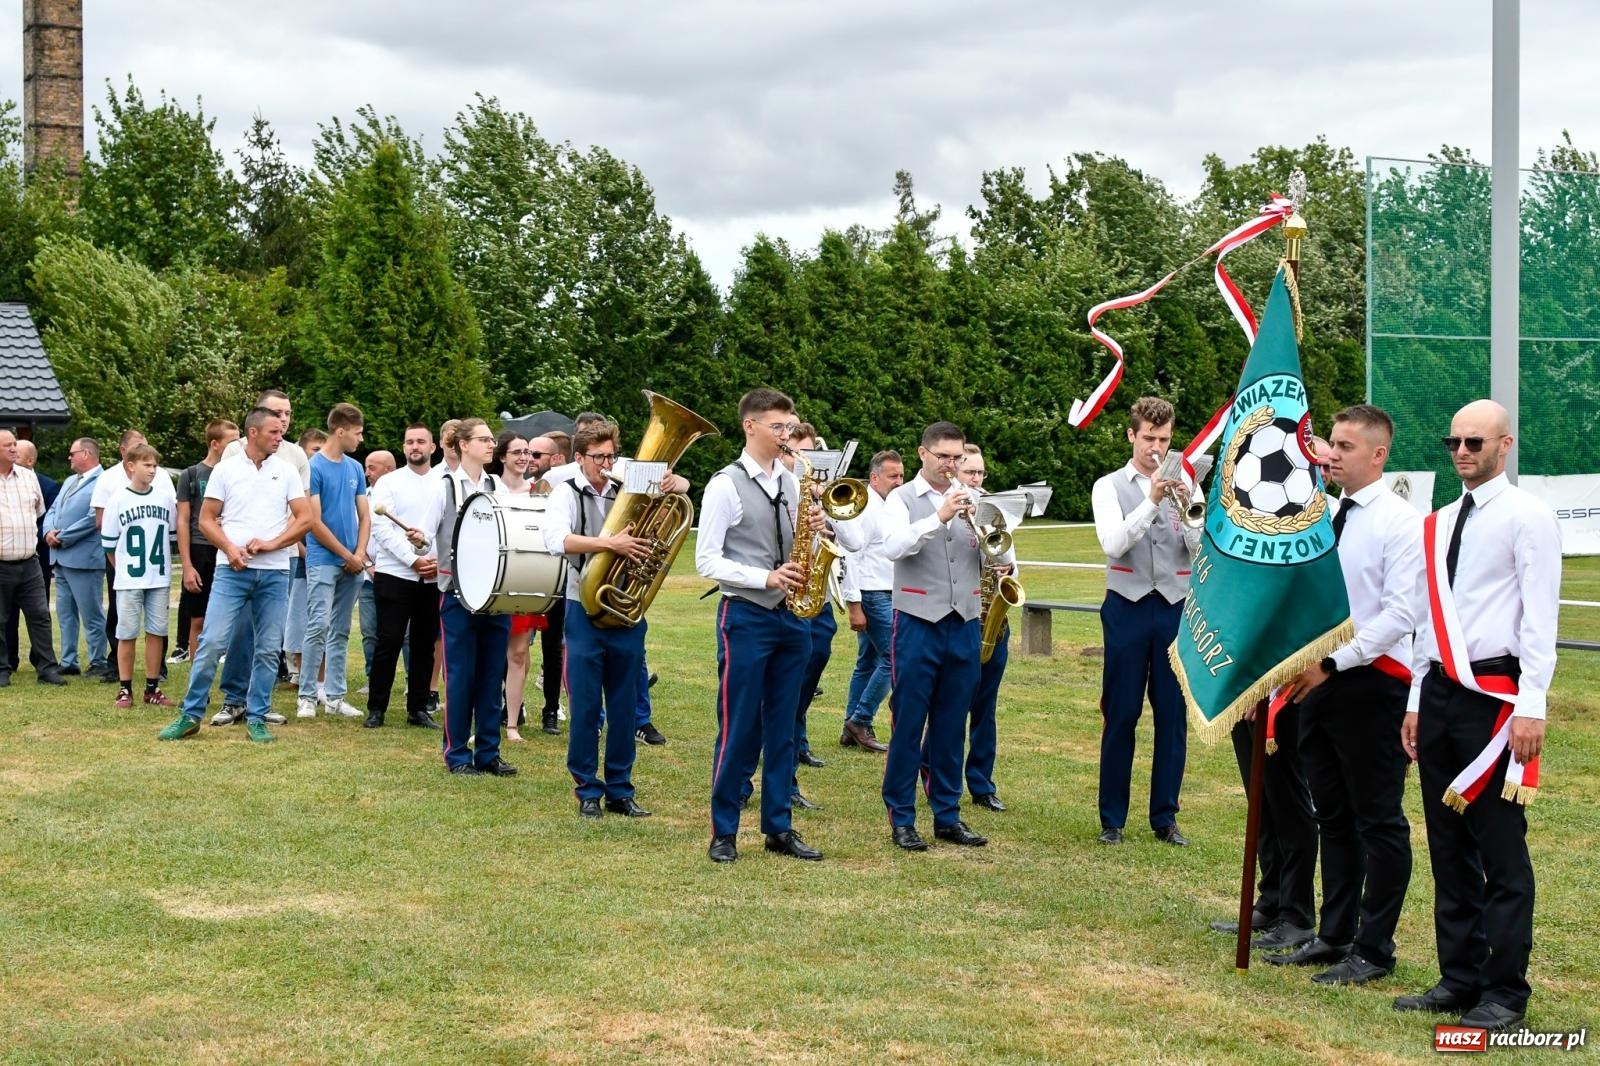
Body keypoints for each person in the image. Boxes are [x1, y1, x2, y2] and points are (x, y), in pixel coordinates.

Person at [1393, 399, 1561, 1033]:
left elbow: (1540, 618)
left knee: (1500, 846)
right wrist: (1416, 699)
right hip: (1439, 693)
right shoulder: (1438, 522)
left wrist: (1532, 705)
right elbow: (1423, 620)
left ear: (1504, 445)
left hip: (1495, 696)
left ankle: (1505, 992)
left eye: (1475, 442)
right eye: (1454, 442)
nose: (1462, 452)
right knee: (1447, 844)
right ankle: (1459, 975)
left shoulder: (1528, 517)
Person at [1271, 405, 1425, 983]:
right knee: (1332, 815)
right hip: (1320, 682)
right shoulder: (1329, 515)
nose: (1331, 454)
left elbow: (1401, 614)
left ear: (1378, 455)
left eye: (1345, 446)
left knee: (1378, 820)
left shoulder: (1399, 522)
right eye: (1331, 443)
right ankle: (1334, 935)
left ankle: (1375, 947)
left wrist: (1334, 663)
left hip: (1371, 684)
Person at [696, 388, 822, 863]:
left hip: (792, 617)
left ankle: (778, 827)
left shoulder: (792, 483)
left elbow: (802, 546)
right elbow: (707, 560)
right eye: (778, 427)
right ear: (750, 426)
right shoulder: (724, 484)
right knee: (739, 725)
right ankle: (724, 831)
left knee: (784, 726)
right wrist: (764, 577)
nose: (786, 435)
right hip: (747, 614)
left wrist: (817, 531)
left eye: (790, 427)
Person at [157, 406, 310, 743]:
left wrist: (271, 544)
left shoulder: (286, 470)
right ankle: (190, 715)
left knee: (268, 649)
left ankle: (257, 716)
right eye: (273, 431)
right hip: (231, 571)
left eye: (280, 431)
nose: (280, 436)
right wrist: (229, 548)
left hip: (274, 573)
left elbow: (305, 519)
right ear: (252, 432)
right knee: (211, 642)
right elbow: (205, 520)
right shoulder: (225, 470)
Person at [1090, 396, 1200, 847]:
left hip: (1174, 605)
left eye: (1165, 440)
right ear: (1131, 435)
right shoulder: (1108, 486)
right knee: (1122, 712)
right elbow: (1114, 543)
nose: (1156, 448)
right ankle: (1112, 818)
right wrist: (1152, 500)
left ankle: (1165, 817)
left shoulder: (1186, 481)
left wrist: (1188, 509)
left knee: (1172, 715)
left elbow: (1199, 549)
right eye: (1149, 438)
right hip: (1127, 605)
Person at [878, 422, 989, 852]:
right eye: (943, 456)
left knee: (952, 723)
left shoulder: (974, 497)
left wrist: (996, 550)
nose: (951, 465)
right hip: (918, 621)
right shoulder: (901, 499)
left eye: (957, 457)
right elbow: (893, 547)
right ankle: (902, 817)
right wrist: (939, 516)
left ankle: (947, 814)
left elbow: (996, 552)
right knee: (908, 722)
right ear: (923, 454)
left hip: (965, 620)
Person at [542, 420, 657, 818]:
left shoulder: (628, 488)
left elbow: (678, 488)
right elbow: (555, 540)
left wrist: (675, 484)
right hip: (583, 607)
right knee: (587, 705)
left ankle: (620, 789)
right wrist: (610, 544)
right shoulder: (566, 492)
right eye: (598, 457)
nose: (607, 464)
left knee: (624, 706)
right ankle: (587, 788)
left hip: (626, 607)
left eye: (611, 456)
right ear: (579, 458)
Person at [210, 391, 307, 727]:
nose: (284, 420)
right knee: (240, 632)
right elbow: (223, 507)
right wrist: (233, 546)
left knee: (270, 636)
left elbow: (303, 509)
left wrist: (277, 541)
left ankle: (259, 705)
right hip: (240, 558)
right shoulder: (234, 452)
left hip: (282, 556)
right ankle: (233, 699)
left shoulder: (294, 456)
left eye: (288, 414)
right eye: (277, 413)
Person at [433, 417, 516, 776]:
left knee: (492, 676)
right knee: (461, 676)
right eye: (483, 439)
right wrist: (418, 544)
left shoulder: (498, 486)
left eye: (491, 439)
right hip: (457, 594)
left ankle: (488, 753)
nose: (490, 445)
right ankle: (456, 754)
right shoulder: (444, 486)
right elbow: (425, 532)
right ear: (463, 445)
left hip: (495, 594)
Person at [954, 443, 1018, 812]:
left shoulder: (995, 512)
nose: (977, 480)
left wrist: (1007, 567)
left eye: (980, 473)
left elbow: (1012, 562)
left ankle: (981, 784)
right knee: (950, 706)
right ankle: (936, 777)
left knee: (985, 708)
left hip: (992, 620)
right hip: (961, 618)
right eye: (970, 473)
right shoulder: (949, 508)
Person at [364, 424, 441, 730]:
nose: (415, 446)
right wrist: (412, 560)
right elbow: (382, 529)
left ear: (432, 447)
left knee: (424, 643)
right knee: (389, 640)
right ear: (404, 447)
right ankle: (376, 708)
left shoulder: (443, 483)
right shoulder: (389, 482)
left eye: (421, 441)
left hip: (432, 575)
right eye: (410, 442)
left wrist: (434, 561)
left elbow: (447, 528)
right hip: (395, 573)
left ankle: (418, 708)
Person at [296, 405, 369, 721]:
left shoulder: (355, 468)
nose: (360, 439)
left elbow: (365, 516)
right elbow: (314, 521)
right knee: (318, 626)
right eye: (357, 433)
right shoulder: (313, 467)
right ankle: (307, 696)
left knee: (340, 630)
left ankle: (336, 696)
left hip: (352, 563)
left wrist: (359, 554)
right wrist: (346, 555)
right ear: (340, 431)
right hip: (324, 560)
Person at [833, 449, 903, 752]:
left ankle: (851, 727)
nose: (899, 481)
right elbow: (851, 555)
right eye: (892, 476)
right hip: (872, 593)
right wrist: (855, 605)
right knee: (895, 657)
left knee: (868, 662)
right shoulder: (864, 508)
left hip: (885, 591)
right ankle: (861, 719)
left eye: (901, 475)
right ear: (874, 478)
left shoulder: (891, 506)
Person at [92, 429, 176, 678]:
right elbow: (109, 544)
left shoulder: (164, 498)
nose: (152, 470)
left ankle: (153, 683)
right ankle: (124, 685)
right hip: (130, 576)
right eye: (146, 465)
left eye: (154, 466)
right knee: (126, 631)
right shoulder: (118, 498)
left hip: (158, 576)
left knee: (157, 630)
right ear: (131, 466)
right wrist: (122, 567)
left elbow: (172, 535)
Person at [783, 423, 833, 799]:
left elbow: (855, 539)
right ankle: (782, 772)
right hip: (784, 600)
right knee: (784, 690)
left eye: (811, 454)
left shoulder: (816, 493)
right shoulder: (776, 487)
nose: (805, 461)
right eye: (800, 454)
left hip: (817, 598)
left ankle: (797, 741)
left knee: (806, 683)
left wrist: (826, 517)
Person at [0, 429, 67, 686]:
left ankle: (47, 668)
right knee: (1, 619)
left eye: (14, 444)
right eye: (7, 445)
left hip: (30, 562)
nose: (13, 449)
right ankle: (2, 669)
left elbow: (39, 511)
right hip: (1, 564)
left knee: (40, 615)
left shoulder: (29, 478)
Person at [173, 419, 240, 663]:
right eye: (232, 442)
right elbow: (183, 521)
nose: (238, 447)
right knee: (198, 617)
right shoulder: (191, 475)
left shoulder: (240, 473)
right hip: (201, 549)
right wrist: (187, 566)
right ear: (214, 444)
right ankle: (197, 671)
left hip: (231, 548)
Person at [42, 438, 110, 679]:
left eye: (72, 453)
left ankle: (98, 660)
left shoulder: (104, 481)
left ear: (86, 454)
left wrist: (63, 537)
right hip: (60, 559)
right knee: (65, 614)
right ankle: (69, 660)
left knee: (91, 613)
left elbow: (94, 518)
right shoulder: (71, 481)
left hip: (84, 559)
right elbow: (53, 509)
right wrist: (48, 532)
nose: (69, 457)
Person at [492, 430, 539, 741]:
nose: (524, 457)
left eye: (528, 452)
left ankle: (511, 723)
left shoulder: (539, 491)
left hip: (525, 578)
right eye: (517, 452)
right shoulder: (488, 489)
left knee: (519, 652)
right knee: (490, 652)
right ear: (502, 457)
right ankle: (486, 715)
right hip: (492, 579)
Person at [528, 433, 569, 734]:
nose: (529, 459)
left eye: (536, 455)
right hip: (522, 572)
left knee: (553, 648)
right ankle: (511, 707)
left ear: (555, 459)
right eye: (526, 452)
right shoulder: (518, 488)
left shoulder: (565, 491)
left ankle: (551, 710)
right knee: (515, 648)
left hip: (556, 575)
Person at [356, 449, 398, 685]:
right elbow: (356, 533)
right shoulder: (363, 497)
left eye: (372, 467)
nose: (366, 473)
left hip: (395, 572)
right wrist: (367, 564)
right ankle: (372, 679)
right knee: (369, 631)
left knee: (404, 633)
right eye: (366, 467)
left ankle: (410, 680)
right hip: (367, 575)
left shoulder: (400, 494)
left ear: (388, 469)